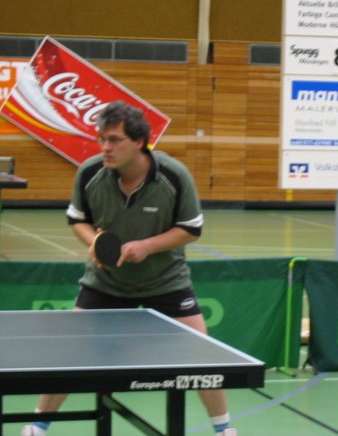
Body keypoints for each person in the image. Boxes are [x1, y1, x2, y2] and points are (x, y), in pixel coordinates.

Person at [22, 101, 237, 436]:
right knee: (69, 354)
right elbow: (78, 220)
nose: (105, 147)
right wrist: (94, 242)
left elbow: (191, 229)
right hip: (105, 282)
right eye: (102, 139)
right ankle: (38, 425)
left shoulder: (173, 175)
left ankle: (224, 430)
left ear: (139, 142)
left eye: (114, 140)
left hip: (166, 282)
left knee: (202, 354)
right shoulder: (90, 173)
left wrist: (147, 246)